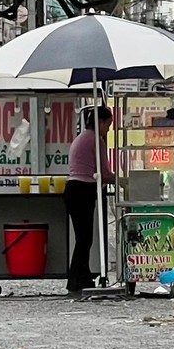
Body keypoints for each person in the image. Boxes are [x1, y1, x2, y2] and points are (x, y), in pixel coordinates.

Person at [65, 105, 115, 293]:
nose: (108, 130)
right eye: (108, 125)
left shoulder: (82, 137)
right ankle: (76, 280)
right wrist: (123, 180)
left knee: (83, 238)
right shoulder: (96, 140)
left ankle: (82, 278)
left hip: (74, 190)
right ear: (100, 122)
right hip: (82, 190)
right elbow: (104, 173)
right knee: (84, 239)